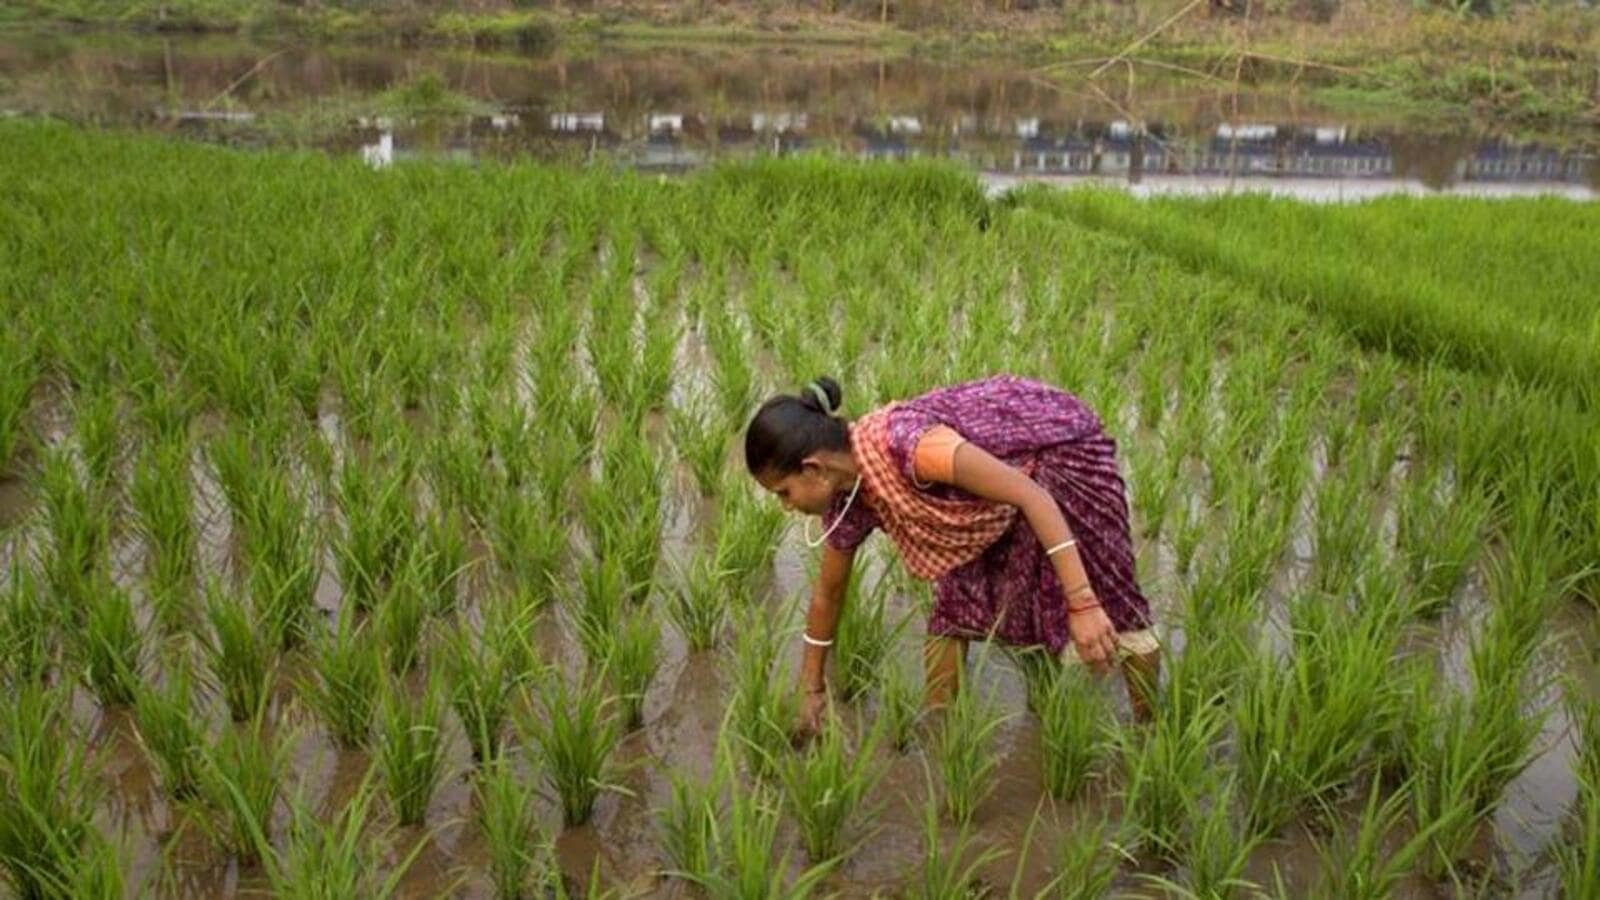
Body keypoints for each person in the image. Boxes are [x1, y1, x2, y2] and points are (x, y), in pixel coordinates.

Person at [744, 374, 1160, 736]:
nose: (786, 505)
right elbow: (827, 596)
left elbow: (1032, 496)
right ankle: (942, 736)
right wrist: (811, 688)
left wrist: (1083, 602)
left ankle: (1149, 730)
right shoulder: (849, 498)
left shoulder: (911, 447)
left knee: (1110, 601)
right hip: (982, 504)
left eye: (784, 491)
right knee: (954, 612)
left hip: (1059, 458)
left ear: (814, 469)